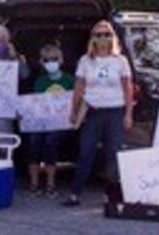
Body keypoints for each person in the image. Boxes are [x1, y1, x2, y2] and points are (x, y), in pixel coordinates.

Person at [65, 21, 134, 207]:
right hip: (93, 110)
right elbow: (79, 87)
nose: (103, 38)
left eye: (106, 34)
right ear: (92, 38)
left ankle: (112, 194)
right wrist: (74, 109)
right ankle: (75, 193)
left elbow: (127, 88)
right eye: (98, 34)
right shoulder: (85, 60)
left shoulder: (120, 61)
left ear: (112, 37)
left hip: (115, 111)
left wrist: (128, 113)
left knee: (114, 152)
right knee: (86, 151)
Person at [24, 44, 74, 196]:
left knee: (50, 142)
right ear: (41, 62)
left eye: (54, 59)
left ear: (61, 60)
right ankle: (34, 183)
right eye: (46, 60)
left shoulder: (69, 80)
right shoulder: (40, 81)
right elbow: (37, 103)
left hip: (61, 122)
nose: (50, 63)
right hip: (42, 121)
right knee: (33, 141)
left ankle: (50, 184)